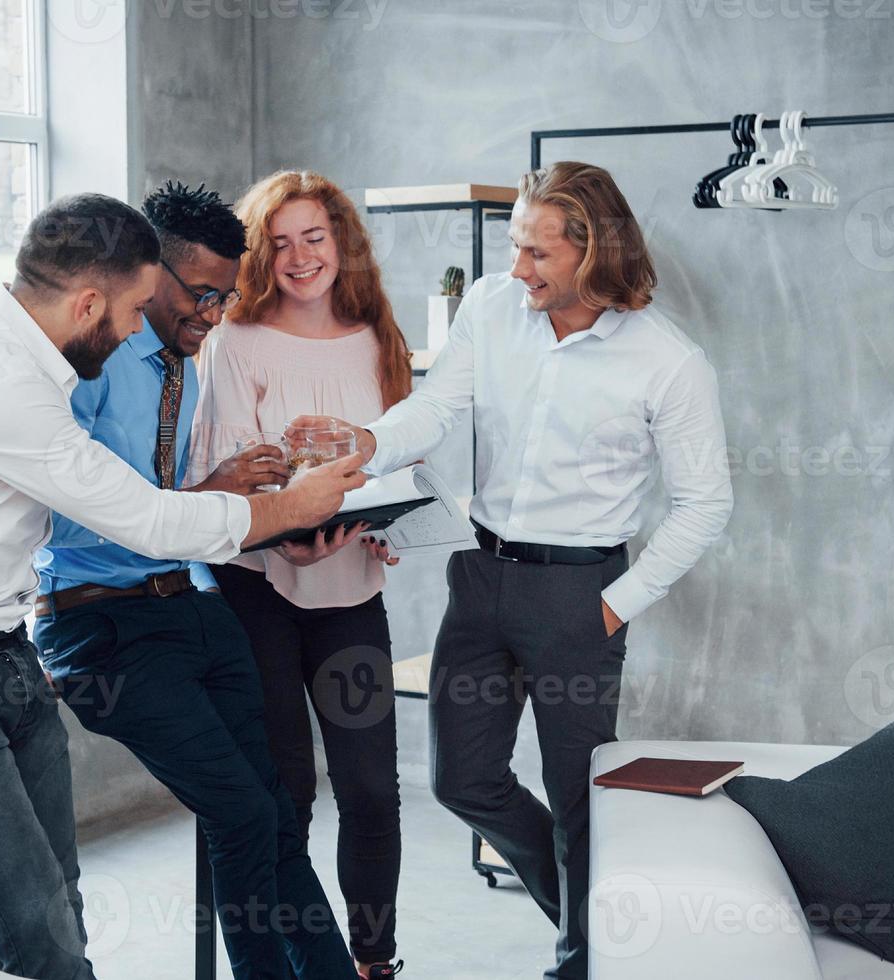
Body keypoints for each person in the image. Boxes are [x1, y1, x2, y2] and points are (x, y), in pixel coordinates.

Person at [0, 192, 363, 980]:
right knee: (42, 930)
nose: (144, 328)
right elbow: (137, 518)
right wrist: (287, 506)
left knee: (61, 914)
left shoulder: (29, 365)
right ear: (88, 302)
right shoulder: (0, 382)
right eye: (140, 307)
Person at [297, 162, 733, 980]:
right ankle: (588, 922)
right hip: (481, 575)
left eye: (538, 253)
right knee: (462, 779)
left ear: (593, 253)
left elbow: (706, 503)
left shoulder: (668, 361)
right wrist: (370, 441)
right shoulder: (494, 308)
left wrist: (614, 606)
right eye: (513, 246)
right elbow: (435, 407)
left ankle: (580, 963)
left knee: (578, 799)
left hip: (579, 594)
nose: (518, 269)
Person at [31, 180, 359, 980]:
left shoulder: (182, 364)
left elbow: (168, 506)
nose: (213, 314)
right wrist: (220, 497)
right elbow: (75, 514)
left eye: (225, 297)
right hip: (101, 625)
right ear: (149, 274)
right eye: (201, 295)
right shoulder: (93, 363)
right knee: (244, 812)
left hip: (190, 606)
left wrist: (226, 487)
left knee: (271, 815)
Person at [188, 170, 408, 980]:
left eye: (313, 236)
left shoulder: (376, 337)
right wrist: (285, 541)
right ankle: (291, 960)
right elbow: (224, 468)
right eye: (278, 242)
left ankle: (372, 960)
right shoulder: (235, 342)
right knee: (286, 795)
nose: (298, 256)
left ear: (341, 241)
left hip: (351, 593)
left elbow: (396, 459)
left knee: (372, 793)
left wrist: (385, 532)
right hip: (258, 593)